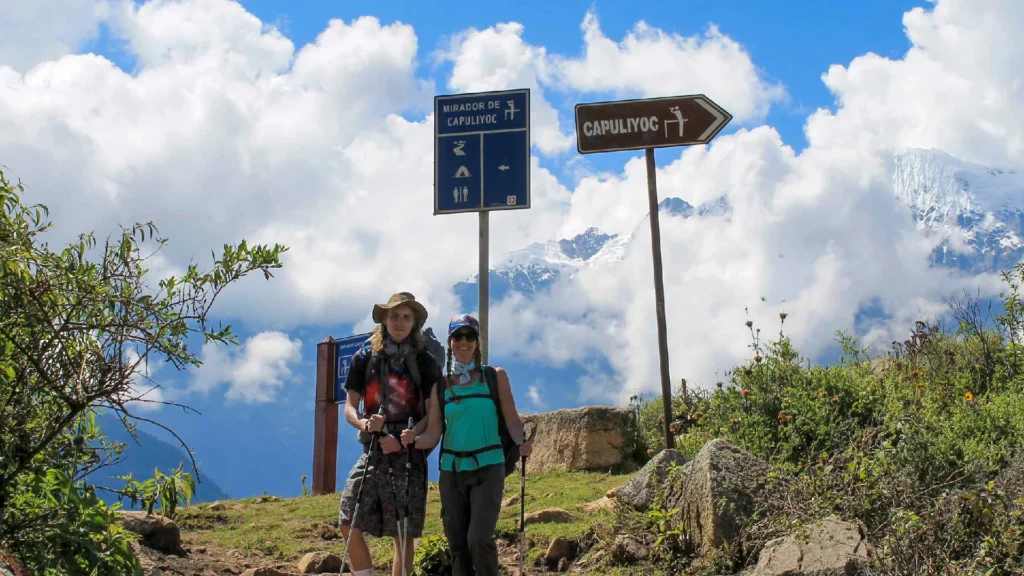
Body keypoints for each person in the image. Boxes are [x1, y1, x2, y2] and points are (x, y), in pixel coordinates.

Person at [407, 314, 533, 576]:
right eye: (457, 336)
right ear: (450, 342)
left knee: (479, 538)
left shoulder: (494, 376)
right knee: (457, 546)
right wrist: (412, 441)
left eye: (470, 336)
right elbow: (433, 433)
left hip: (489, 467)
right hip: (452, 472)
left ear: (478, 342)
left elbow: (511, 418)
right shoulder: (441, 386)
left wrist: (522, 442)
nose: (463, 342)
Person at [338, 292, 443, 576]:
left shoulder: (425, 361)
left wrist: (407, 438)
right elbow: (349, 407)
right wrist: (364, 424)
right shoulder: (365, 356)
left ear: (415, 322)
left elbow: (431, 415)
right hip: (373, 449)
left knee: (404, 532)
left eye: (406, 317)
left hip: (408, 452)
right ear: (384, 319)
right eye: (394, 315)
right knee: (347, 520)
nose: (399, 322)